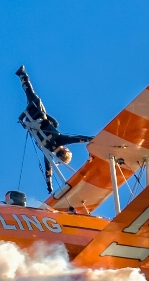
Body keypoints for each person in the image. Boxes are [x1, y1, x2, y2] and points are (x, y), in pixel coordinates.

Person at [16, 65, 92, 193]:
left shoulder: (60, 140)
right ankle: (22, 76)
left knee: (31, 94)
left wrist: (91, 139)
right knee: (30, 97)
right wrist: (49, 186)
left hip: (38, 115)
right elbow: (48, 171)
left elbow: (75, 139)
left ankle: (22, 74)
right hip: (29, 120)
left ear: (65, 151)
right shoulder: (48, 153)